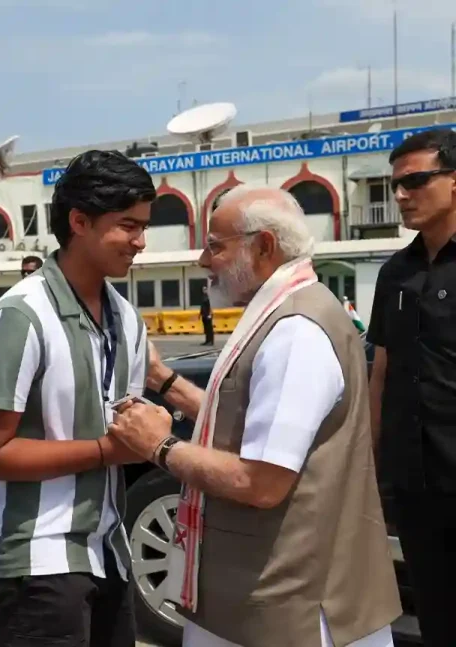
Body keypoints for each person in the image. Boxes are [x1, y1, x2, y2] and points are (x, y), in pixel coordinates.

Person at [108, 185, 401, 647]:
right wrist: (165, 380)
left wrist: (159, 447)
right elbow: (253, 426)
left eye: (216, 246)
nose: (205, 261)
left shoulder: (295, 332)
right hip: (272, 596)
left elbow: (261, 480)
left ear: (263, 246)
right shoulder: (288, 310)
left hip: (290, 607)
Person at [0, 150, 156, 647]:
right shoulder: (22, 316)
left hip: (108, 550)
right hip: (36, 564)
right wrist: (106, 451)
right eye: (127, 226)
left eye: (143, 226)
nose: (140, 242)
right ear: (79, 221)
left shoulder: (125, 318)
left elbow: (124, 426)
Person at [367, 128, 456, 646]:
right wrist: (373, 466)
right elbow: (383, 369)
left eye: (416, 181)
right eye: (395, 183)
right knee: (436, 619)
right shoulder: (395, 274)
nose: (401, 194)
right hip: (416, 487)